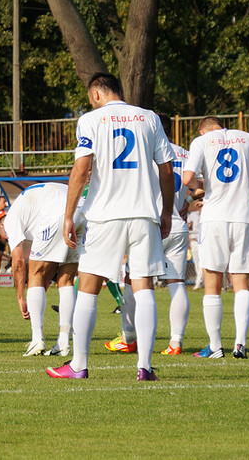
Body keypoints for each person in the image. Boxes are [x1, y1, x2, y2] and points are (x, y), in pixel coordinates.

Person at [46, 73, 175, 381]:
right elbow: (167, 169)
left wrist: (68, 215)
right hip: (144, 214)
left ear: (96, 95)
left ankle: (78, 364)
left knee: (88, 286)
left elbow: (81, 168)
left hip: (105, 216)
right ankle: (145, 366)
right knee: (143, 287)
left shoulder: (91, 120)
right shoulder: (149, 118)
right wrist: (166, 210)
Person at [182, 116, 249, 359]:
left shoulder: (202, 141)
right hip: (244, 216)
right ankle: (240, 343)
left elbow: (187, 179)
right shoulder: (247, 138)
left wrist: (205, 184)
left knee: (212, 283)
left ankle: (216, 346)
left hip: (214, 218)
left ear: (202, 129)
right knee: (242, 284)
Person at [103, 114, 200, 357]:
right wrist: (186, 202)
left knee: (132, 280)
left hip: (150, 222)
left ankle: (129, 337)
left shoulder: (146, 150)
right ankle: (176, 342)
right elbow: (199, 186)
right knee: (176, 284)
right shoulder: (186, 154)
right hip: (176, 223)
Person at [0, 183, 84, 357]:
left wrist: (21, 297)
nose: (9, 241)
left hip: (57, 212)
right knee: (66, 279)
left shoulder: (10, 220)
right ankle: (63, 342)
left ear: (1, 227)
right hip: (81, 210)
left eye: (6, 239)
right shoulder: (30, 206)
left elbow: (18, 262)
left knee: (34, 274)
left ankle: (37, 339)